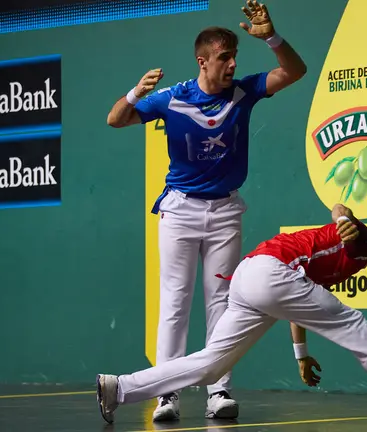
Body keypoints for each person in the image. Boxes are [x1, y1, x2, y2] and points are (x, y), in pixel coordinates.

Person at [105, 0, 307, 422]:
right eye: (224, 57)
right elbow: (115, 120)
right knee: (175, 303)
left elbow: (294, 72)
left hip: (226, 211)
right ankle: (167, 396)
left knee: (222, 302)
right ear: (202, 60)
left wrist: (271, 36)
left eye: (235, 56)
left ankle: (219, 392)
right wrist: (133, 93)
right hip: (179, 212)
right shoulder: (171, 98)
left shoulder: (244, 91)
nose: (232, 63)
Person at [96, 204, 367, 425]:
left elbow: (300, 302)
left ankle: (119, 388)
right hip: (271, 272)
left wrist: (301, 355)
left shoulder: (354, 263)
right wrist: (344, 217)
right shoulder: (364, 241)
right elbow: (341, 211)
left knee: (211, 366)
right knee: (352, 322)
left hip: (252, 278)